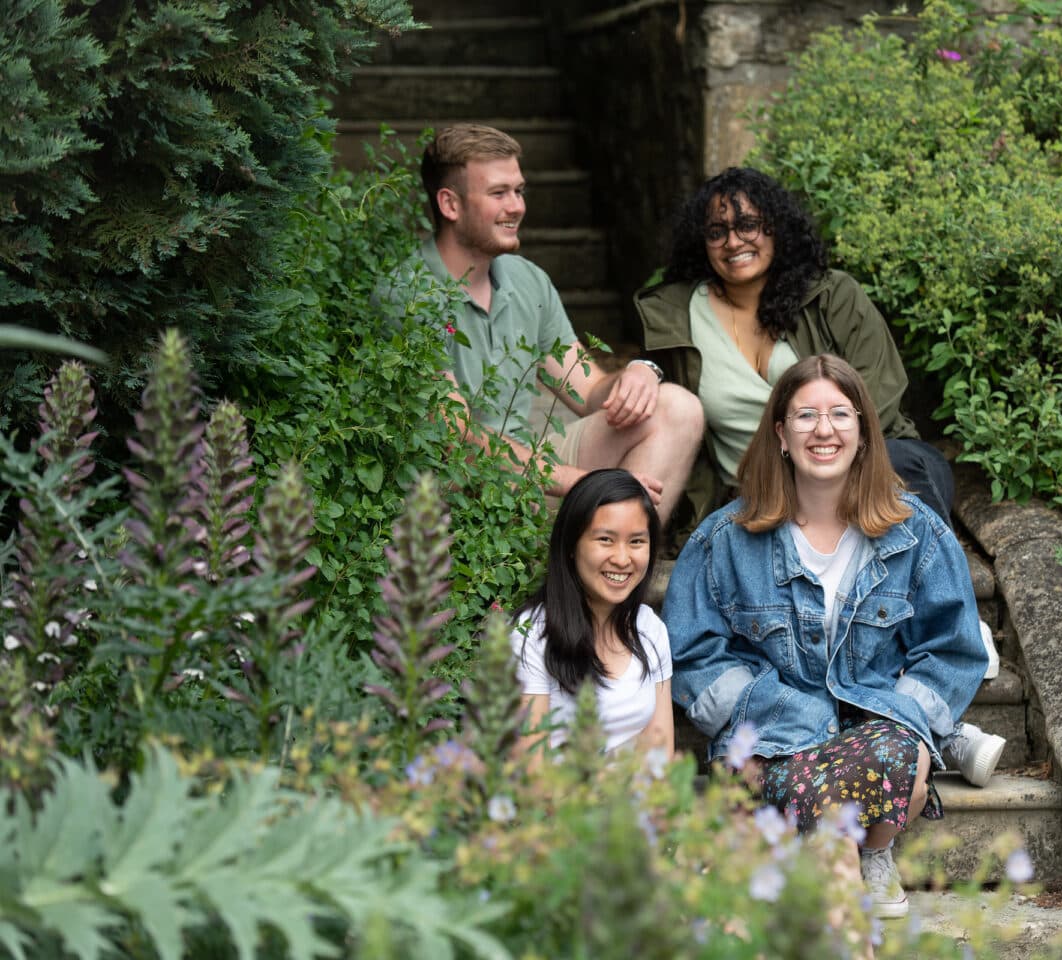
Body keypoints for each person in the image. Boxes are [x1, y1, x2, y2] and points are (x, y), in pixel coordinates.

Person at [635, 167, 1004, 784]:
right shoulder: (678, 313)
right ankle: (938, 727)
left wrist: (822, 440)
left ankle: (938, 644)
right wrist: (644, 368)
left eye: (748, 224)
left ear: (776, 228)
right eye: (717, 229)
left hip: (868, 463)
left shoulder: (829, 294)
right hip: (754, 487)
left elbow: (877, 401)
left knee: (906, 487)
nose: (734, 240)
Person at [663, 355, 991, 919]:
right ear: (781, 434)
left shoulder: (917, 532)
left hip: (873, 727)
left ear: (863, 433)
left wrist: (892, 713)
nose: (824, 429)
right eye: (806, 415)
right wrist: (789, 714)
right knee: (765, 762)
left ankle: (866, 851)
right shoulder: (725, 538)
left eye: (841, 414)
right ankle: (837, 858)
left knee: (904, 755)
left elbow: (952, 649)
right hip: (772, 732)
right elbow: (694, 654)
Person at [378, 124, 703, 526]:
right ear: (450, 204)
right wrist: (584, 482)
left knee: (676, 408)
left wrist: (639, 373)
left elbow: (586, 391)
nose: (517, 206)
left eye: (519, 191)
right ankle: (573, 569)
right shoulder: (408, 294)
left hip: (526, 476)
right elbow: (455, 440)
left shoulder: (525, 279)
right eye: (499, 193)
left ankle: (611, 570)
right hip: (448, 494)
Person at [511, 468, 673, 759]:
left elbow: (660, 753)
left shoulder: (650, 627)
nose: (622, 559)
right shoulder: (532, 633)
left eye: (636, 541)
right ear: (571, 545)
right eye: (605, 540)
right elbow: (530, 773)